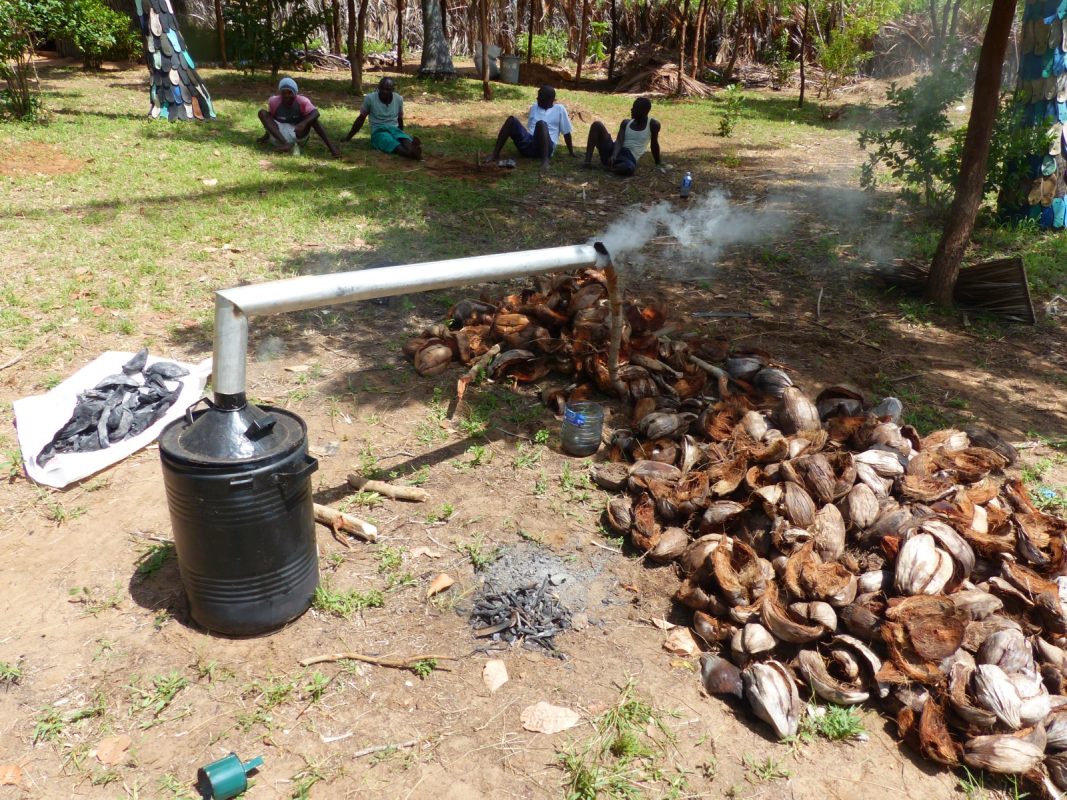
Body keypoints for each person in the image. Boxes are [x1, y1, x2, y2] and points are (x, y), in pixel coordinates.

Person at [485, 85, 576, 170]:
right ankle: (495, 154)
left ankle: (545, 160)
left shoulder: (559, 109)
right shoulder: (534, 107)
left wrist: (571, 152)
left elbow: (566, 132)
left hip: (546, 147)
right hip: (529, 145)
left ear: (550, 100)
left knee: (541, 124)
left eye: (541, 98)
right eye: (538, 96)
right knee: (511, 120)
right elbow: (530, 128)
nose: (537, 99)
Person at [258, 77, 340, 158]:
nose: (287, 96)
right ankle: (285, 144)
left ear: (295, 93)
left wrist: (303, 123)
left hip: (298, 134)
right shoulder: (274, 101)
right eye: (284, 93)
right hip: (280, 136)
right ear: (280, 93)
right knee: (262, 113)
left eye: (289, 92)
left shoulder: (302, 101)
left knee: (314, 120)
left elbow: (316, 113)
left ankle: (332, 148)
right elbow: (271, 121)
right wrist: (266, 136)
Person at [343, 78, 422, 160]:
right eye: (382, 88)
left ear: (393, 90)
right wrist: (348, 137)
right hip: (378, 131)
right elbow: (361, 119)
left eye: (388, 89)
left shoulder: (398, 99)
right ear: (378, 87)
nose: (384, 91)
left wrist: (401, 132)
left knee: (403, 138)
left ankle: (412, 148)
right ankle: (410, 153)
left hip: (394, 129)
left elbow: (400, 118)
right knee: (389, 141)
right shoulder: (370, 99)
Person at [583, 97, 661, 176]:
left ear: (643, 111)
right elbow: (619, 141)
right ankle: (587, 163)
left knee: (629, 168)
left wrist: (658, 162)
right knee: (597, 125)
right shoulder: (626, 123)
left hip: (628, 157)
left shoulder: (653, 125)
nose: (631, 109)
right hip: (614, 150)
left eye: (635, 108)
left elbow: (654, 144)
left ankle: (610, 168)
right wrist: (614, 155)